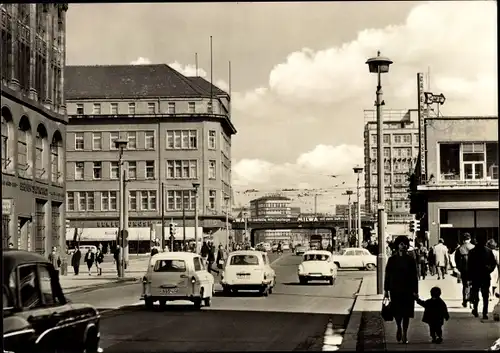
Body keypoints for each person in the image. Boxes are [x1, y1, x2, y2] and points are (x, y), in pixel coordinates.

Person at [384, 235, 418, 344]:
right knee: (398, 312)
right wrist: (386, 290)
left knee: (406, 313)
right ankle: (399, 327)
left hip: (408, 289)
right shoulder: (392, 259)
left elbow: (414, 276)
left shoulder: (410, 259)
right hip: (395, 289)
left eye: (404, 244)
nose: (403, 246)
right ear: (397, 245)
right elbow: (387, 275)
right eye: (401, 244)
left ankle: (405, 333)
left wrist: (416, 291)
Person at [467, 233, 497, 319]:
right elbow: (493, 263)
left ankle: (475, 310)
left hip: (475, 276)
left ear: (476, 240)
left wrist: (469, 277)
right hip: (485, 275)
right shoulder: (488, 251)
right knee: (485, 295)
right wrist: (489, 269)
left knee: (475, 294)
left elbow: (469, 265)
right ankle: (485, 313)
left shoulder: (472, 252)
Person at [454, 233, 475, 307]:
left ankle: (464, 300)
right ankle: (472, 300)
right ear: (470, 239)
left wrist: (459, 268)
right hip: (473, 270)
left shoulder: (459, 249)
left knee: (465, 285)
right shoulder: (474, 247)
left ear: (463, 240)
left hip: (463, 270)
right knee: (472, 285)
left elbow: (456, 260)